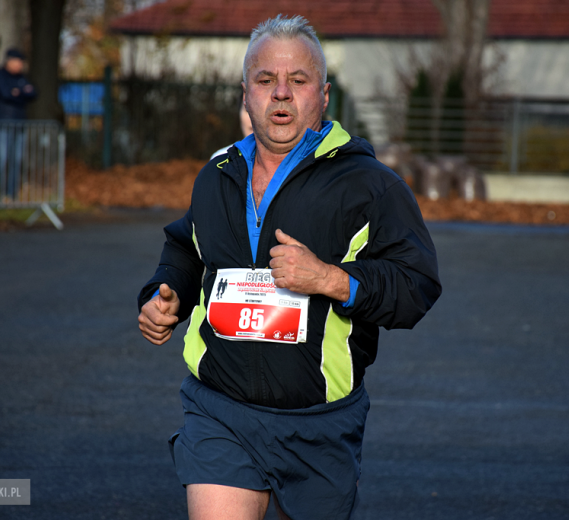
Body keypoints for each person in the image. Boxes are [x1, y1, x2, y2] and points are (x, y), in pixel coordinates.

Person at [137, 14, 441, 520]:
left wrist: (329, 278)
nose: (281, 93)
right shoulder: (217, 174)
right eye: (265, 80)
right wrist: (165, 291)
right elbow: (186, 247)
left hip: (319, 424)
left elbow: (417, 286)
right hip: (220, 409)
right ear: (245, 95)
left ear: (322, 96)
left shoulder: (369, 185)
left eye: (297, 81)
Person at [0, 47, 37, 202]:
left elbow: (33, 93)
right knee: (2, 158)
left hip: (20, 123)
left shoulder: (22, 78)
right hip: (2, 122)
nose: (20, 66)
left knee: (16, 160)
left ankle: (12, 195)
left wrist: (18, 93)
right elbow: (5, 94)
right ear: (9, 61)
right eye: (18, 62)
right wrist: (20, 93)